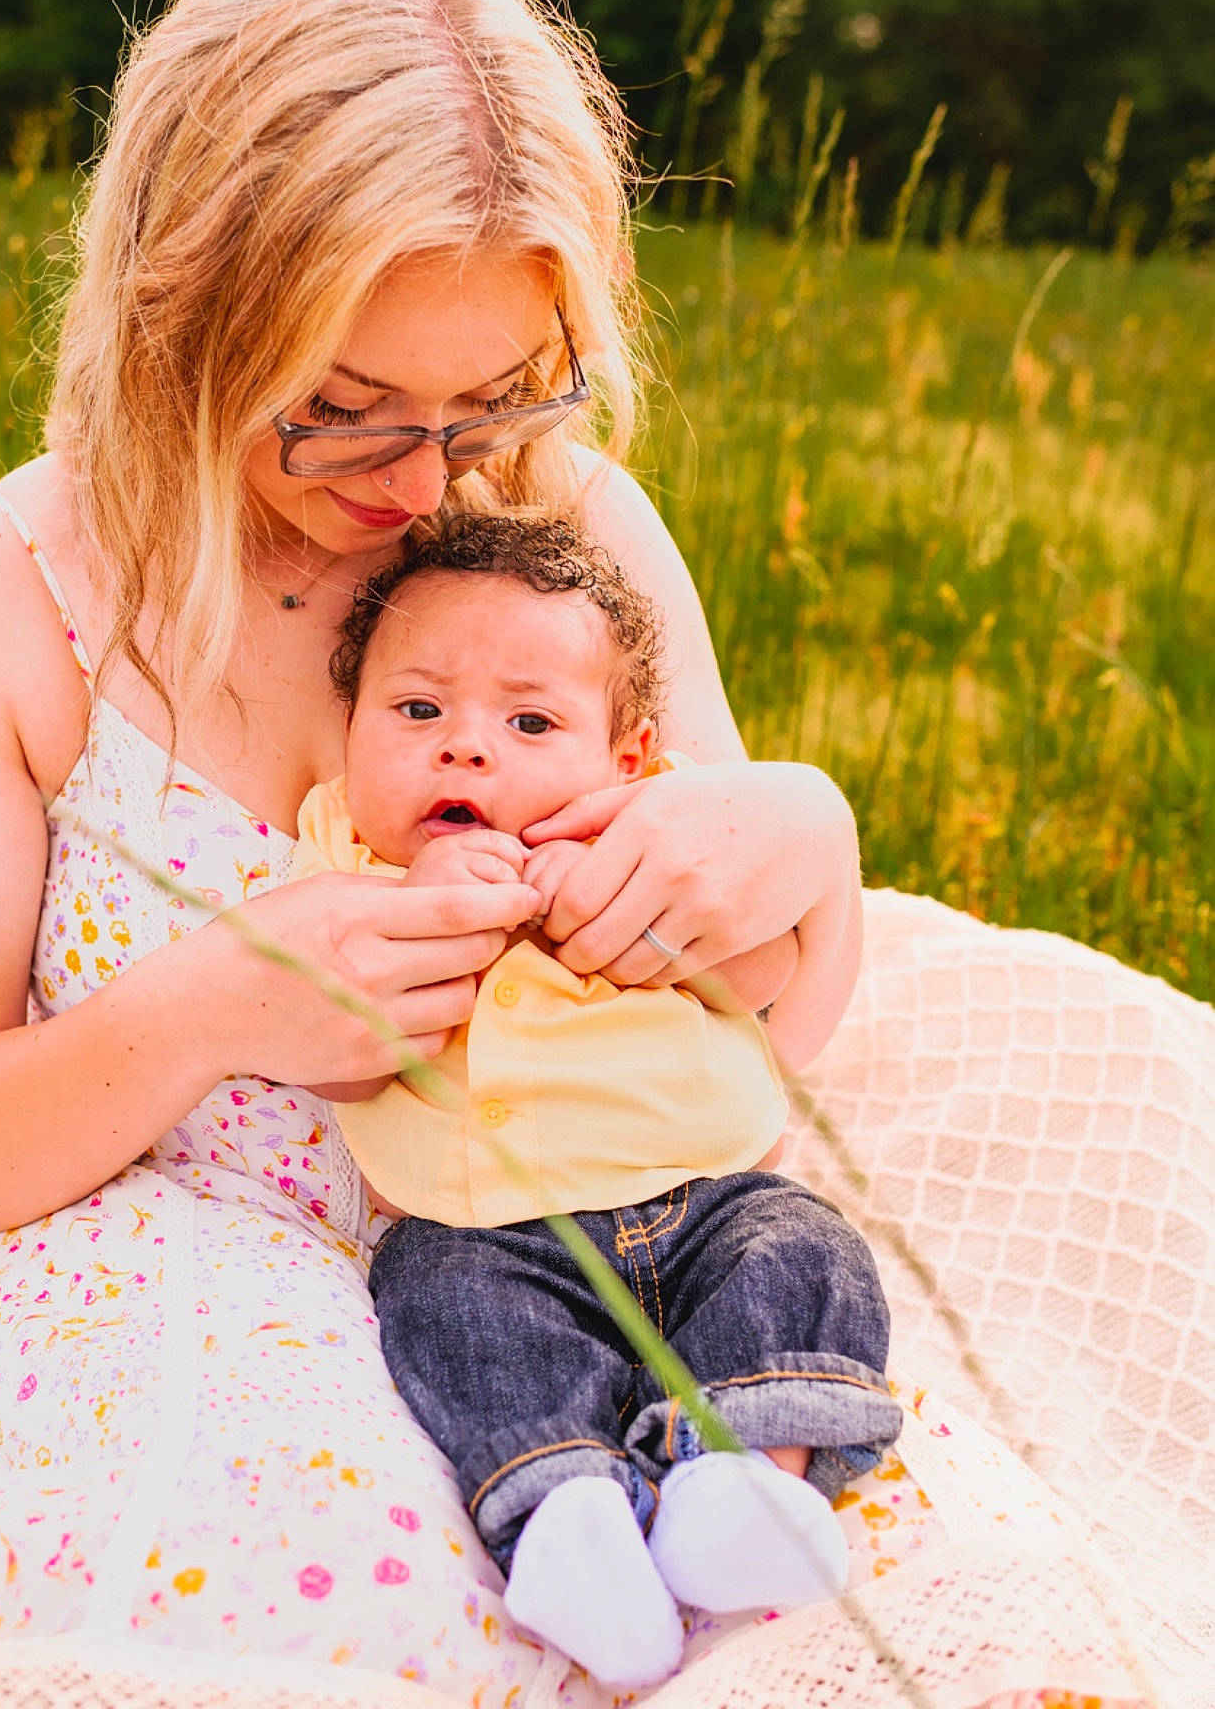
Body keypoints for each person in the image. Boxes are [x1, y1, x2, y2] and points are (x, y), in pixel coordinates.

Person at [0, 0, 1134, 1706]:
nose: (426, 478)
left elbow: (757, 1028)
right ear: (179, 307)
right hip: (178, 1255)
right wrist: (213, 1005)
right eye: (343, 410)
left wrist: (806, 846)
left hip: (582, 1225)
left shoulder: (560, 535)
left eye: (491, 398)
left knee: (883, 1599)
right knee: (369, 1616)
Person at [289, 510, 901, 1688]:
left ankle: (741, 1483)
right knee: (444, 1311)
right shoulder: (343, 859)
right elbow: (325, 1040)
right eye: (417, 712)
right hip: (485, 1231)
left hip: (702, 1196)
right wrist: (418, 913)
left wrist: (642, 922)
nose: (466, 749)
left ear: (627, 761)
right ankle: (568, 1516)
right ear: (351, 730)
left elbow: (762, 981)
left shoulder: (655, 837)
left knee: (807, 1249)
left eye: (529, 721)